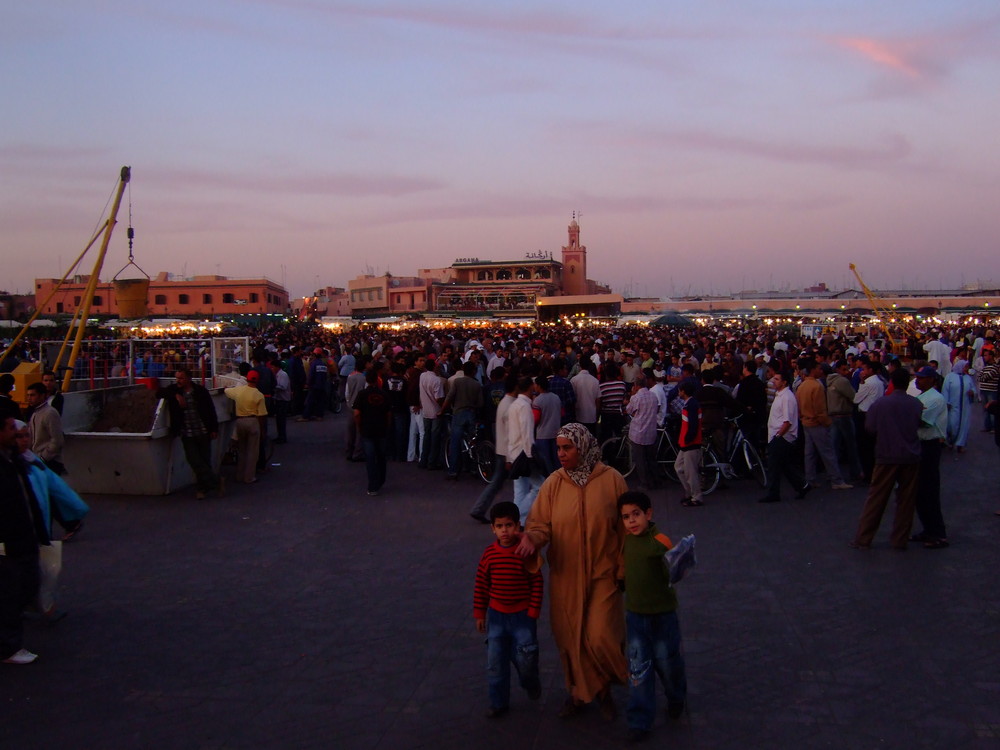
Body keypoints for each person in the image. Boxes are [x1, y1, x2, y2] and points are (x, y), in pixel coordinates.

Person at [515, 423, 628, 721]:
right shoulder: (554, 483)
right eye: (559, 448)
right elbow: (540, 524)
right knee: (570, 638)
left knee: (601, 634)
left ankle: (608, 682)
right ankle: (582, 692)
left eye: (568, 448)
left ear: (584, 447)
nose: (561, 454)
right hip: (566, 576)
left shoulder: (613, 480)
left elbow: (626, 528)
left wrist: (623, 566)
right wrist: (532, 539)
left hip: (603, 573)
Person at [618, 491, 687, 742]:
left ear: (648, 513)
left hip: (662, 616)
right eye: (626, 517)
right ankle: (640, 720)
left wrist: (680, 564)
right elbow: (623, 567)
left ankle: (676, 696)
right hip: (635, 616)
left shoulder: (660, 542)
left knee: (668, 662)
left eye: (636, 514)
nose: (632, 521)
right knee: (638, 669)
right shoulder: (625, 541)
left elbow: (675, 570)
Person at [472, 501, 543, 718]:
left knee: (526, 661)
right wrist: (479, 613)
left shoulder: (524, 552)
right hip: (497, 617)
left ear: (518, 526)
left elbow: (536, 582)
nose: (505, 531)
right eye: (500, 526)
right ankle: (498, 702)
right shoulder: (489, 554)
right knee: (495, 664)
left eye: (509, 525)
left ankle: (530, 683)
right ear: (493, 528)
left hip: (522, 617)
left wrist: (533, 611)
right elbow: (481, 585)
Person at [14, 419, 89, 621]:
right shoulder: (12, 465)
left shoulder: (32, 461)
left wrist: (76, 510)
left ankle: (42, 606)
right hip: (15, 531)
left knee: (40, 571)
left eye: (25, 435)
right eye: (17, 436)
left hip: (36, 527)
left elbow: (58, 489)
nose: (23, 441)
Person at [849, 368, 923, 550]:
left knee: (876, 499)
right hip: (910, 456)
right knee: (906, 501)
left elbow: (870, 428)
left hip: (886, 454)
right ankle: (900, 539)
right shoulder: (916, 404)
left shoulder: (881, 404)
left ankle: (863, 538)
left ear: (891, 382)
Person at [1, 415, 49, 664]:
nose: (17, 435)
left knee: (27, 585)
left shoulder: (15, 460)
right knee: (11, 590)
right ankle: (8, 646)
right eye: (11, 430)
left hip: (24, 534)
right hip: (9, 541)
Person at [156, 368, 223, 499]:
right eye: (177, 378)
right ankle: (216, 482)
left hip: (203, 430)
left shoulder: (200, 391)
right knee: (194, 461)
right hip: (187, 432)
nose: (178, 381)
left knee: (204, 460)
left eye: (181, 378)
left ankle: (202, 488)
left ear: (188, 378)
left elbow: (210, 410)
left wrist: (214, 429)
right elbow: (159, 392)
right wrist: (175, 396)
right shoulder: (175, 390)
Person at [796, 358, 852, 490]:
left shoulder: (802, 386)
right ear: (813, 370)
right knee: (828, 452)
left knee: (809, 453)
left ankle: (810, 479)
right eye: (818, 368)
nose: (821, 371)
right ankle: (836, 480)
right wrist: (827, 422)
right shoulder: (817, 386)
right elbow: (820, 409)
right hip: (817, 422)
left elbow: (798, 406)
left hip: (805, 421)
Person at [910, 366, 949, 549]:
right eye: (917, 377)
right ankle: (928, 529)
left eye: (922, 378)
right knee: (919, 491)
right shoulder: (922, 397)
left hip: (929, 445)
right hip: (920, 444)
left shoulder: (935, 398)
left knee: (929, 490)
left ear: (932, 380)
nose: (918, 380)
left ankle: (938, 534)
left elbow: (922, 421)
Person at [470, 377, 517, 524]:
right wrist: (510, 458)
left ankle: (479, 508)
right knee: (518, 483)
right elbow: (511, 433)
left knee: (497, 482)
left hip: (501, 449)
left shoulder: (504, 403)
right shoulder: (510, 405)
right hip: (506, 452)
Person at [758, 369, 809, 503]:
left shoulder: (787, 397)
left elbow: (788, 421)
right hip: (778, 435)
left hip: (782, 436)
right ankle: (802, 485)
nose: (774, 381)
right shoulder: (779, 395)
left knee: (774, 466)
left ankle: (773, 493)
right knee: (785, 465)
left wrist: (779, 435)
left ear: (784, 382)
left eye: (777, 379)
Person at [507, 376, 543, 520]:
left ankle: (519, 521)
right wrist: (531, 456)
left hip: (515, 452)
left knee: (520, 490)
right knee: (539, 486)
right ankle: (518, 516)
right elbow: (527, 433)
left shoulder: (515, 404)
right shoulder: (524, 406)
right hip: (524, 453)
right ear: (530, 387)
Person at [224, 370, 268, 484]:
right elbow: (262, 415)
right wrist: (263, 430)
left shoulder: (238, 391)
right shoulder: (259, 395)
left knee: (242, 450)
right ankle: (249, 477)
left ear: (246, 379)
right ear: (257, 380)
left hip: (240, 422)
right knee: (252, 452)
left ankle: (239, 475)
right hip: (253, 421)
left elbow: (226, 391)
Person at [442, 361, 484, 479]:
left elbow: (449, 397)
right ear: (474, 372)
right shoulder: (476, 384)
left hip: (458, 413)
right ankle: (473, 468)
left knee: (455, 442)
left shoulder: (457, 382)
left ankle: (453, 471)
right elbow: (480, 403)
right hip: (471, 414)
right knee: (473, 442)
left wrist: (442, 410)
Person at [353, 368, 391, 496]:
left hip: (367, 429)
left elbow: (357, 413)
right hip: (381, 429)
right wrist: (387, 425)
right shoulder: (384, 394)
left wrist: (359, 426)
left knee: (370, 458)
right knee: (381, 456)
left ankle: (373, 485)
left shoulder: (362, 394)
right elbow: (388, 413)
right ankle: (381, 479)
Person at [625, 373, 658, 490]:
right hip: (651, 432)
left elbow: (628, 410)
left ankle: (644, 483)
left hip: (638, 433)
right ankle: (654, 480)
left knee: (640, 460)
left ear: (635, 385)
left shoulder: (636, 398)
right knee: (651, 459)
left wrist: (632, 395)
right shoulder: (653, 396)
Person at [25, 382, 65, 476]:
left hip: (50, 462)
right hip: (38, 460)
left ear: (42, 395)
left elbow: (57, 440)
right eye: (28, 395)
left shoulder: (50, 413)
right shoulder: (35, 413)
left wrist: (44, 457)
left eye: (32, 395)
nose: (29, 398)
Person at [675, 379, 704, 507]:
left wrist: (687, 439)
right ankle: (690, 492)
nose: (678, 392)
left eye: (680, 390)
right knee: (679, 467)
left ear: (683, 392)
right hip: (687, 443)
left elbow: (692, 425)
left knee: (690, 471)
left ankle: (696, 496)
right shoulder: (691, 404)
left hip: (690, 443)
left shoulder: (690, 405)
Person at [942, 360, 976, 452]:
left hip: (965, 407)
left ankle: (960, 445)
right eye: (965, 367)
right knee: (952, 425)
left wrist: (972, 392)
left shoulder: (968, 378)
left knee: (964, 426)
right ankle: (950, 442)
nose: (967, 369)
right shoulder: (950, 377)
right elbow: (945, 390)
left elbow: (973, 388)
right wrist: (947, 402)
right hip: (953, 406)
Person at [268, 359, 291, 444]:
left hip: (283, 400)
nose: (272, 368)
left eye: (273, 367)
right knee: (278, 419)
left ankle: (282, 437)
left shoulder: (283, 375)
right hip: (278, 399)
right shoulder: (277, 375)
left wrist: (273, 386)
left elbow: (283, 386)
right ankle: (280, 435)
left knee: (281, 419)